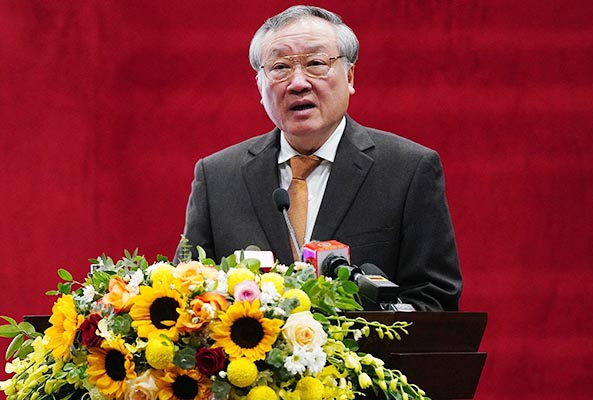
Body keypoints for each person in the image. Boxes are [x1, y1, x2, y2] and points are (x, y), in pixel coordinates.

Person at [176, 5, 462, 311]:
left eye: (315, 63)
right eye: (280, 67)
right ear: (260, 85)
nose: (298, 83)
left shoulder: (408, 170)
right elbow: (186, 295)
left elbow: (435, 299)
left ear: (349, 76)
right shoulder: (217, 178)